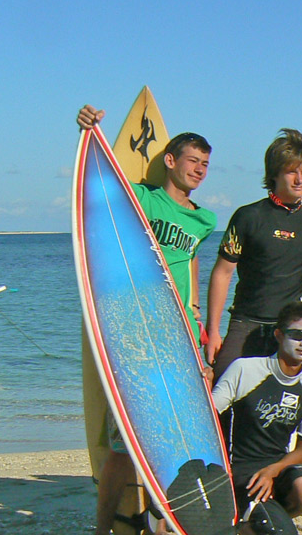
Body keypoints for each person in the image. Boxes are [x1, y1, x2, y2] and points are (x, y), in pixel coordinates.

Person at [77, 105, 217, 535]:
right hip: (136, 331)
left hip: (180, 334)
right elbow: (99, 190)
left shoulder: (204, 218)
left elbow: (191, 271)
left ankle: (165, 521)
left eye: (206, 165)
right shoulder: (142, 198)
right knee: (126, 440)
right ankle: (104, 526)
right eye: (193, 161)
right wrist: (88, 131)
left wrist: (202, 336)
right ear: (170, 161)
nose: (200, 170)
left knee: (175, 435)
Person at [205, 129, 302, 381]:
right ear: (274, 174)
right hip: (245, 323)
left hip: (291, 331)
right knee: (222, 392)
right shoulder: (248, 217)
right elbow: (222, 273)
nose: (300, 179)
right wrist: (213, 332)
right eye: (291, 171)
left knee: (284, 409)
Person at [212, 301, 302, 535]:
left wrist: (273, 471)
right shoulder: (245, 369)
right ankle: (256, 518)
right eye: (297, 335)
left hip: (277, 468)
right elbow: (206, 416)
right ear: (278, 335)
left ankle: (261, 518)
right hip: (241, 470)